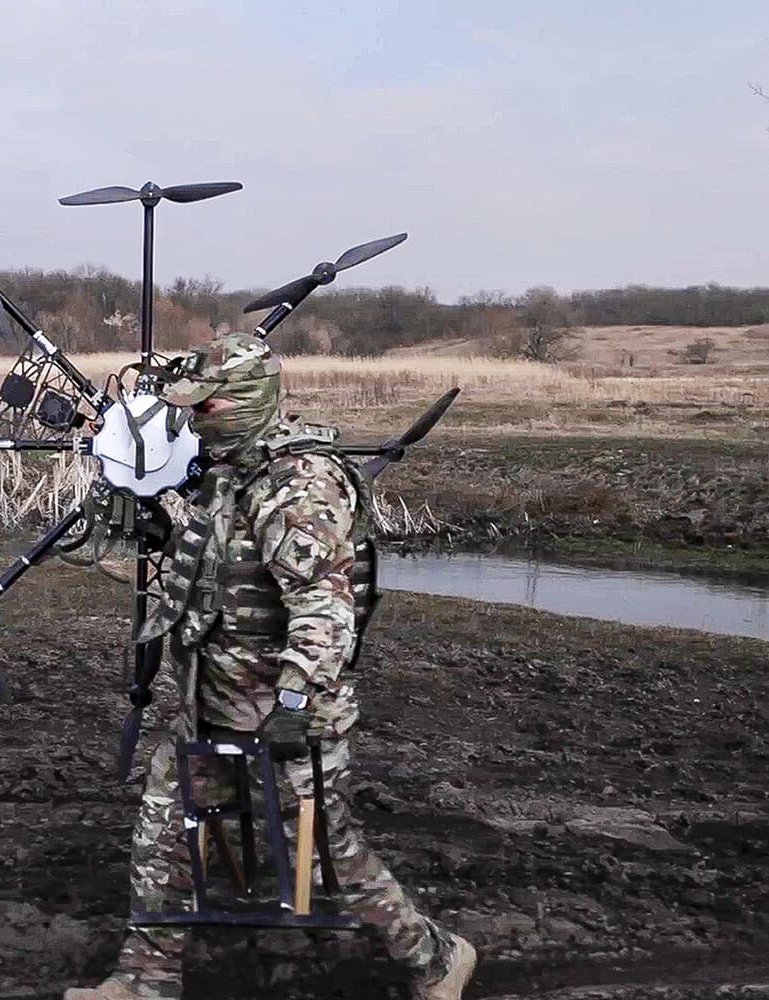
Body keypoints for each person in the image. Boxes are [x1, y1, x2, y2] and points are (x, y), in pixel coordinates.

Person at [65, 332, 476, 1000]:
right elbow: (219, 571)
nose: (194, 421)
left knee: (323, 858)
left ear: (249, 401)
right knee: (165, 838)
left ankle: (438, 958)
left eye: (207, 407)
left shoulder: (299, 487)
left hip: (285, 717)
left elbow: (325, 607)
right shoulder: (231, 471)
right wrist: (154, 530)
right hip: (210, 705)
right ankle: (145, 982)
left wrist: (294, 702)